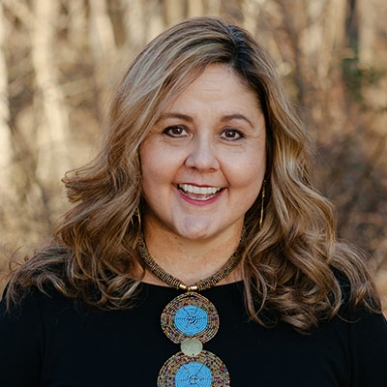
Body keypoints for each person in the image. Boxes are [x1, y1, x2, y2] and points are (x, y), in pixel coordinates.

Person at [0, 16, 386, 387]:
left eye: (232, 133)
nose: (202, 160)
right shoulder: (45, 302)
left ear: (269, 153)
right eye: (175, 130)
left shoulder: (334, 302)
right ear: (132, 144)